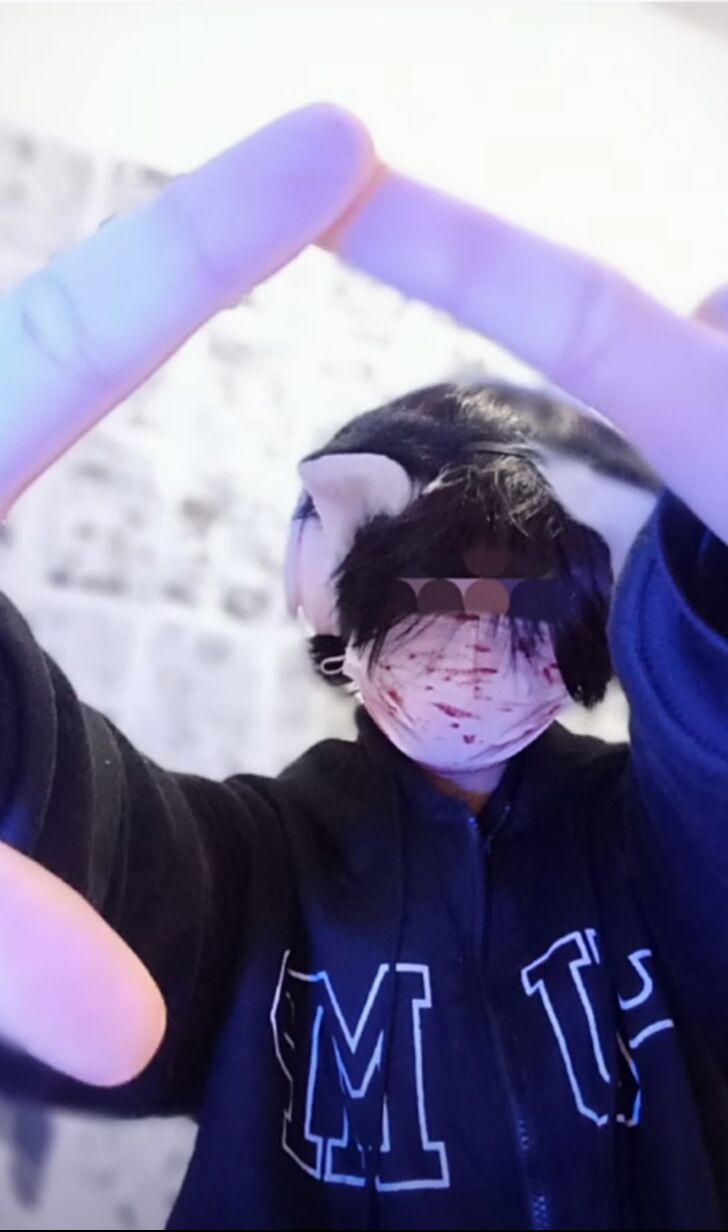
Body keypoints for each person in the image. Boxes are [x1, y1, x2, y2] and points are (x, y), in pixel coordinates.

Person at [0, 101, 726, 1230]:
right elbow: (82, 841)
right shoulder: (252, 873)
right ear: (334, 597)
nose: (474, 657)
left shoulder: (661, 851)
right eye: (428, 608)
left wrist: (708, 584)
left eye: (526, 615)